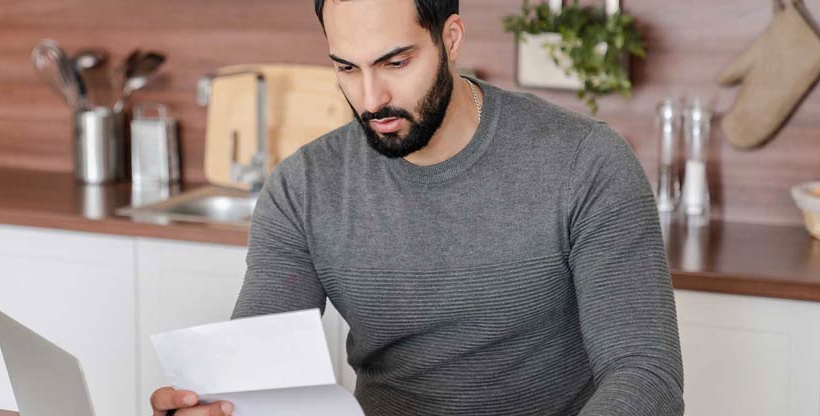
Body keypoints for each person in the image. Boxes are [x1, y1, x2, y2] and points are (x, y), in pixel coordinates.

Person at [151, 0, 685, 415]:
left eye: (396, 62)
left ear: (450, 38)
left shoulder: (584, 161)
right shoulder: (304, 187)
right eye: (346, 67)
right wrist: (217, 408)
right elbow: (256, 377)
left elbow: (646, 376)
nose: (372, 97)